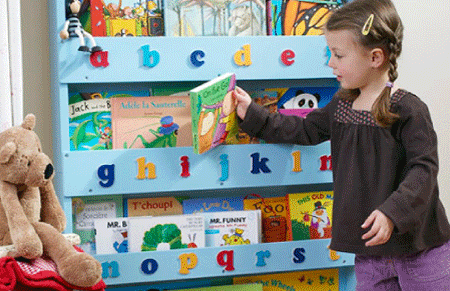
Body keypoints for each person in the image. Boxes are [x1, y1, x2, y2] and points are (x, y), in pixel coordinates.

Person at [233, 0, 450, 289]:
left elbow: (423, 170)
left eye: (338, 55)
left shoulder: (408, 108)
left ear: (375, 57)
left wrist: (392, 212)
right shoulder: (342, 105)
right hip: (370, 254)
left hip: (420, 251)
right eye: (330, 53)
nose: (330, 63)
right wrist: (255, 115)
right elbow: (305, 128)